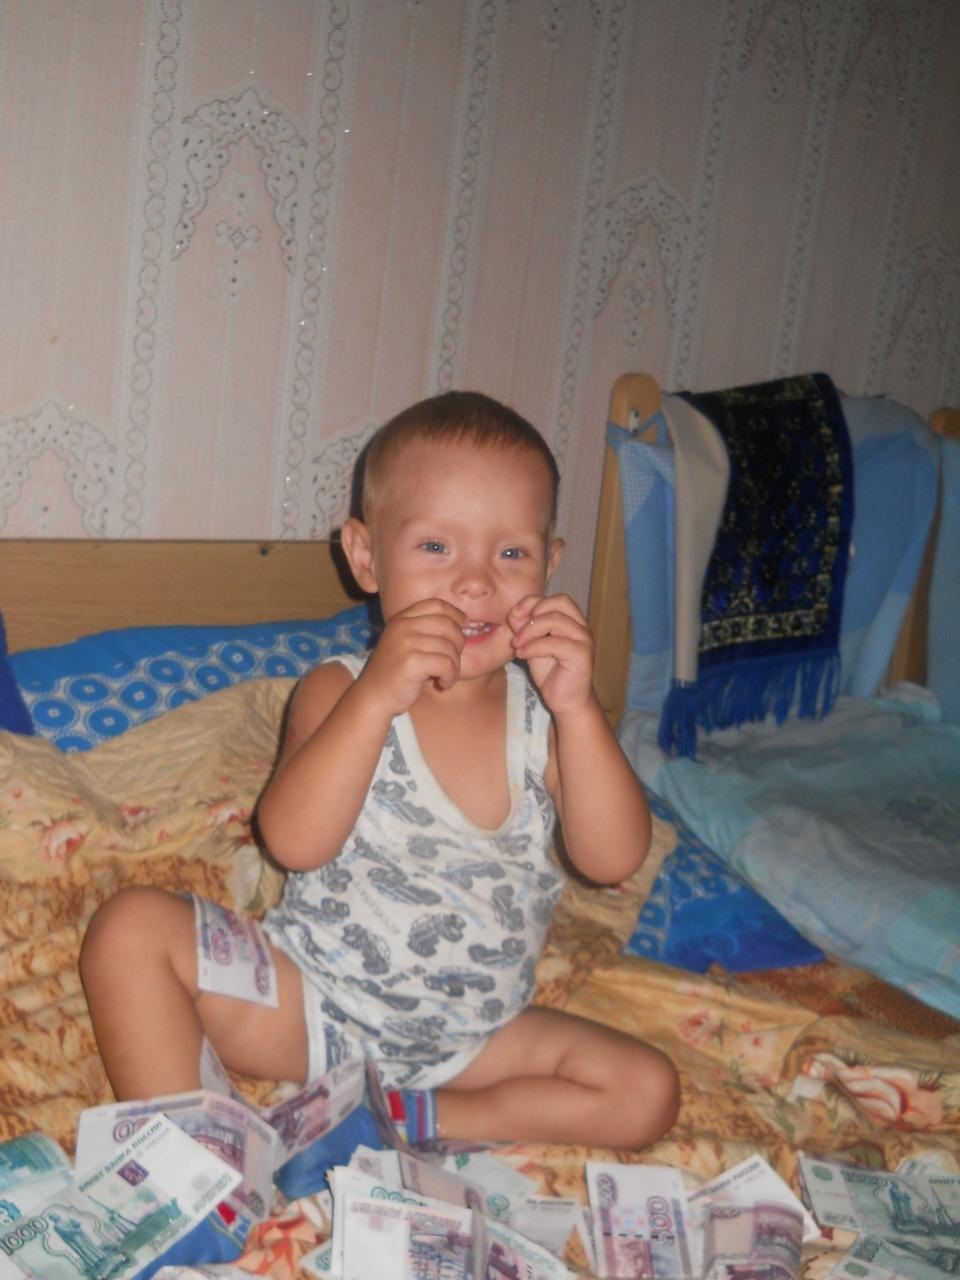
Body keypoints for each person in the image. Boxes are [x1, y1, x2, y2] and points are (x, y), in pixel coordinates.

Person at [80, 390, 679, 1176]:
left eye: (511, 554)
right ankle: (197, 1165)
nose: (475, 582)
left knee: (647, 1090)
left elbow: (614, 858)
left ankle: (413, 1120)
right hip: (313, 1007)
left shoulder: (550, 718)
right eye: (436, 546)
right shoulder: (339, 692)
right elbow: (293, 842)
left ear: (550, 563)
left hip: (475, 1042)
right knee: (128, 931)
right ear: (365, 558)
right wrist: (376, 699)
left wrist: (581, 709)